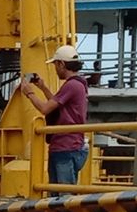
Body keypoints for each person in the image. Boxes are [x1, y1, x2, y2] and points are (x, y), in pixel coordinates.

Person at [19, 44, 89, 185]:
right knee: (60, 195)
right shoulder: (77, 84)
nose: (55, 69)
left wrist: (29, 93)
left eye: (55, 65)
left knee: (62, 195)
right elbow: (56, 105)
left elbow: (45, 109)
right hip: (68, 145)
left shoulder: (71, 85)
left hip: (65, 146)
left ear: (61, 64)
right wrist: (43, 87)